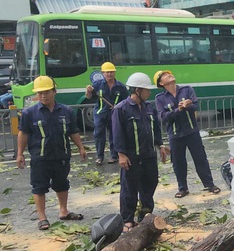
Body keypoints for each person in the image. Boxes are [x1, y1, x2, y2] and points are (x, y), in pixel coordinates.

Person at [16, 76, 87, 230]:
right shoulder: (29, 113)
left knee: (62, 184)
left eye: (46, 92)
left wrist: (81, 147)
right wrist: (20, 154)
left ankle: (64, 211)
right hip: (40, 157)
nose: (43, 95)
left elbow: (73, 131)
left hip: (61, 156)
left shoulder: (66, 111)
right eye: (40, 93)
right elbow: (23, 133)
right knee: (39, 187)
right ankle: (42, 217)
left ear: (54, 91)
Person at [112, 72, 169, 232]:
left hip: (149, 156)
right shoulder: (121, 109)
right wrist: (121, 154)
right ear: (137, 90)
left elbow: (155, 129)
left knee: (150, 184)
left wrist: (160, 145)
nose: (149, 93)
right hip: (131, 158)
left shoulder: (148, 108)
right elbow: (117, 134)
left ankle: (145, 214)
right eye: (146, 90)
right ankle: (127, 219)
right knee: (129, 188)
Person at [154, 70, 221, 199]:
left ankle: (210, 184)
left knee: (200, 158)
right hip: (175, 135)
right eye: (166, 76)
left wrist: (188, 105)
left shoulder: (187, 90)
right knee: (178, 162)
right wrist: (178, 110)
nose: (170, 75)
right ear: (161, 83)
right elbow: (162, 117)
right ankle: (183, 188)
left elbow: (195, 105)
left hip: (192, 132)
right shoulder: (160, 98)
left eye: (170, 74)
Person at [85, 62, 128, 165]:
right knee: (99, 135)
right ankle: (99, 157)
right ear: (103, 73)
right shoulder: (97, 85)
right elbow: (89, 97)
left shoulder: (120, 86)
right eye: (107, 72)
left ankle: (114, 156)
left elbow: (126, 100)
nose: (109, 74)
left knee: (114, 135)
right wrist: (89, 91)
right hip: (100, 114)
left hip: (114, 114)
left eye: (111, 72)